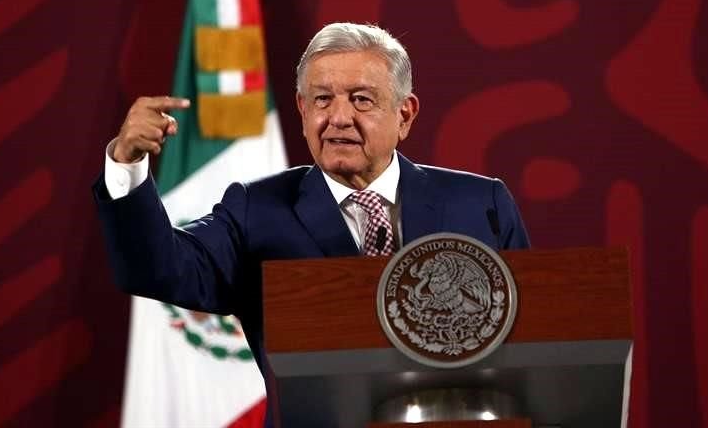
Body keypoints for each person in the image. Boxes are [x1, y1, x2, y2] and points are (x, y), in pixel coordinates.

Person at [93, 22, 529, 425]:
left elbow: (532, 339)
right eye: (322, 99)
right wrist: (127, 166)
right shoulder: (256, 211)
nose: (338, 117)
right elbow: (160, 268)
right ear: (302, 110)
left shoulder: (480, 204)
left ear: (405, 114)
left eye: (361, 99)